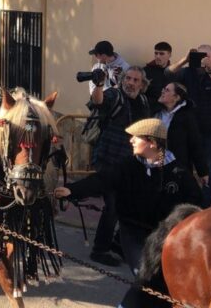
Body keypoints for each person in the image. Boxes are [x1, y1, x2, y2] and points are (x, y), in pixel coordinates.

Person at [55, 118, 201, 307]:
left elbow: (196, 202)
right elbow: (102, 179)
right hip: (133, 233)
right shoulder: (128, 165)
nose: (130, 140)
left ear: (152, 142)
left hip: (166, 236)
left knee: (163, 282)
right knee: (147, 274)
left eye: (135, 137)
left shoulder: (178, 172)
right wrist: (72, 190)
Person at [88, 66, 150, 266]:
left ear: (142, 84)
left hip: (130, 162)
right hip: (108, 159)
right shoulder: (115, 95)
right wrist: (98, 84)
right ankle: (99, 250)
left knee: (129, 205)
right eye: (128, 78)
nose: (130, 83)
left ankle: (116, 243)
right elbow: (98, 101)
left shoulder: (143, 101)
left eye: (135, 80)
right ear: (123, 79)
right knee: (113, 206)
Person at [172, 45, 211, 207]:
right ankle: (185, 207)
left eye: (207, 57)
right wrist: (185, 59)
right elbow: (168, 74)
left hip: (210, 132)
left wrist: (210, 70)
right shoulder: (186, 73)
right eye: (200, 56)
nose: (203, 60)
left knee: (210, 172)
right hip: (188, 131)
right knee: (184, 168)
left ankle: (202, 209)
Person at [155, 82, 207, 183]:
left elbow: (195, 144)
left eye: (167, 90)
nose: (162, 91)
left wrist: (202, 172)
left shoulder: (186, 117)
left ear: (176, 97)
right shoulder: (155, 111)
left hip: (176, 168)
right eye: (164, 88)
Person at [144, 42, 174, 114]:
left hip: (169, 112)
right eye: (156, 53)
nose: (158, 56)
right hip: (150, 111)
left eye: (161, 54)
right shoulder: (146, 71)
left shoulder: (175, 72)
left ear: (169, 54)